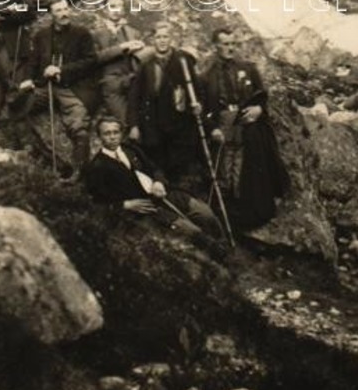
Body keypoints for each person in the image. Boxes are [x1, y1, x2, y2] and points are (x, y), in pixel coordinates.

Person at [200, 26, 290, 230]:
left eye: (233, 44)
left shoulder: (248, 68)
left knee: (249, 170)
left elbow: (262, 97)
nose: (230, 48)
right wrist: (212, 128)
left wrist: (259, 109)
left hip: (248, 129)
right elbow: (202, 109)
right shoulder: (206, 76)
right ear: (216, 46)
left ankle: (254, 215)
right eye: (225, 44)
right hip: (223, 128)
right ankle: (228, 220)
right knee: (224, 172)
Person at [83, 117, 222, 240]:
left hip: (165, 193)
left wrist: (158, 182)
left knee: (206, 214)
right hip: (146, 208)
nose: (112, 137)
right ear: (99, 137)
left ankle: (225, 247)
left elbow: (155, 169)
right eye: (107, 133)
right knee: (192, 232)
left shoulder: (131, 149)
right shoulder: (97, 166)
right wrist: (125, 205)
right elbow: (96, 202)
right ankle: (214, 259)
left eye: (116, 132)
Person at [17, 0, 98, 172]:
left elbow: (91, 61)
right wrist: (28, 79)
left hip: (72, 88)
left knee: (80, 128)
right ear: (51, 15)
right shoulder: (42, 35)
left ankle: (79, 174)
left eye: (65, 9)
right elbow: (33, 61)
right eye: (58, 11)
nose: (63, 14)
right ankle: (39, 155)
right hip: (46, 86)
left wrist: (61, 69)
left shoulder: (81, 33)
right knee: (20, 105)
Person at [127, 22, 204, 185]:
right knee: (157, 166)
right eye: (158, 37)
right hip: (153, 125)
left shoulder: (183, 62)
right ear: (153, 40)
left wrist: (197, 106)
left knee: (177, 168)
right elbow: (135, 96)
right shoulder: (146, 66)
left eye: (166, 36)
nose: (162, 40)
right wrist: (134, 125)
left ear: (172, 39)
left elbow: (196, 90)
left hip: (178, 124)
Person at [92, 0, 150, 126]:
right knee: (125, 122)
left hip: (133, 79)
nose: (116, 10)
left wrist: (140, 49)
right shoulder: (97, 33)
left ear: (124, 10)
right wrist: (122, 47)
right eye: (112, 6)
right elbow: (95, 59)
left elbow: (140, 59)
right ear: (105, 10)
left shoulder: (132, 32)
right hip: (111, 84)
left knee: (143, 119)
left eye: (119, 7)